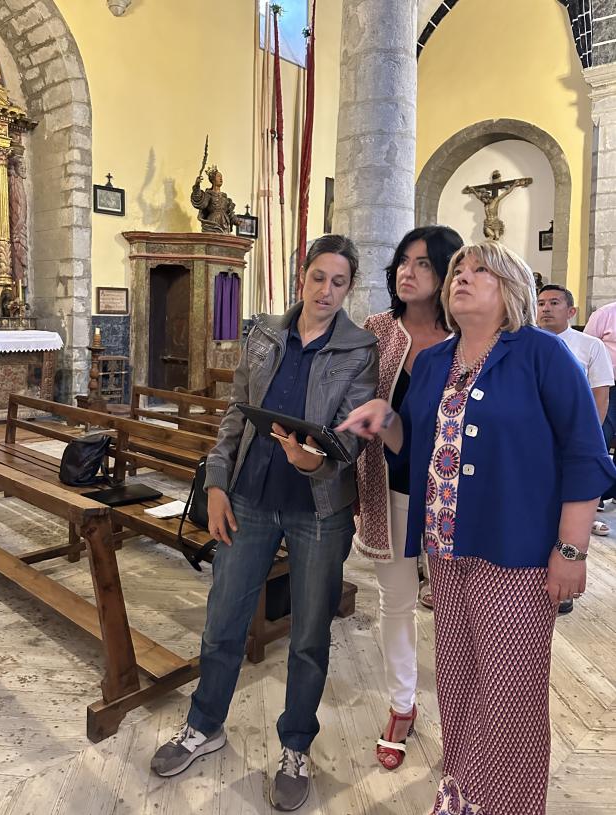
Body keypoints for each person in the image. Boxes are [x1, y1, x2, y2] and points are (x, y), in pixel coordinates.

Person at [338, 241, 616, 815]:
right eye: (457, 271)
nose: (461, 278)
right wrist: (384, 418)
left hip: (517, 554)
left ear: (510, 288)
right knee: (461, 686)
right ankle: (462, 793)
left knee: (510, 696)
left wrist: (571, 548)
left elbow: (585, 455)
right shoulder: (438, 360)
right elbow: (416, 448)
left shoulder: (542, 355)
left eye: (479, 271)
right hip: (446, 550)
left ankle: (511, 805)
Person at [151, 234, 378, 812]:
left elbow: (352, 438)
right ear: (301, 277)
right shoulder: (265, 334)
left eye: (339, 282)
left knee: (307, 638)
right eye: (318, 277)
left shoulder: (359, 348)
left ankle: (295, 746)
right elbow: (236, 411)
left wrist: (317, 461)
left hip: (318, 512)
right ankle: (205, 725)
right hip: (249, 498)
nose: (326, 291)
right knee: (223, 620)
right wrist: (220, 484)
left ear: (349, 288)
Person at [354, 225, 463, 770]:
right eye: (403, 260)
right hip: (390, 486)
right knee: (395, 600)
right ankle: (402, 703)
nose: (407, 271)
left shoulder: (468, 337)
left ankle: (465, 718)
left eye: (423, 263)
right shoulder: (376, 331)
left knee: (458, 609)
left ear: (446, 274)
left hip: (454, 496)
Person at [537, 283, 614, 577]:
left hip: (571, 438)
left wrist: (587, 441)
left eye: (554, 303)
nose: (546, 308)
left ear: (571, 311)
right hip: (534, 440)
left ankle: (566, 566)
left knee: (569, 507)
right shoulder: (521, 343)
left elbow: (600, 395)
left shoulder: (589, 345)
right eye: (541, 303)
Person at [584, 300, 616, 504]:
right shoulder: (606, 313)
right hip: (608, 384)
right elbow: (587, 346)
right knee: (602, 432)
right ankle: (597, 493)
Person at [190, 165, 237, 234]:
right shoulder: (208, 194)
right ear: (213, 179)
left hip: (224, 224)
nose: (221, 179)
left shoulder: (225, 198)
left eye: (221, 177)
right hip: (212, 223)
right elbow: (198, 200)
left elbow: (230, 214)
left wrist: (237, 221)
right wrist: (197, 186)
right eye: (218, 176)